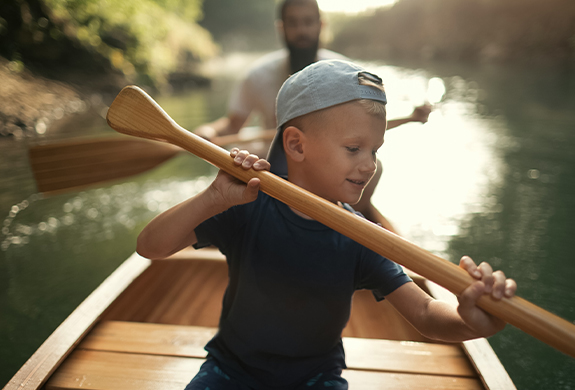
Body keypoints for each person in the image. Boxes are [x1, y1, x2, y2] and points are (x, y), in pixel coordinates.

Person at [137, 59, 517, 390]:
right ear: (297, 146)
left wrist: (472, 321)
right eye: (354, 149)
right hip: (230, 373)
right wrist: (213, 198)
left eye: (374, 150)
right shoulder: (247, 206)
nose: (369, 165)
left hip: (315, 380)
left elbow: (425, 315)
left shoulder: (361, 237)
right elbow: (150, 247)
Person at [194, 0, 431, 231]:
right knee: (248, 158)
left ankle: (345, 224)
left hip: (329, 166)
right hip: (274, 169)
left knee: (375, 167)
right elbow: (233, 126)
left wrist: (411, 117)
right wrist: (208, 133)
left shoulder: (346, 73)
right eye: (293, 23)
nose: (301, 31)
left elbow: (365, 128)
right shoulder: (258, 76)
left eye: (308, 22)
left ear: (321, 25)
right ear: (281, 28)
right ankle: (264, 225)